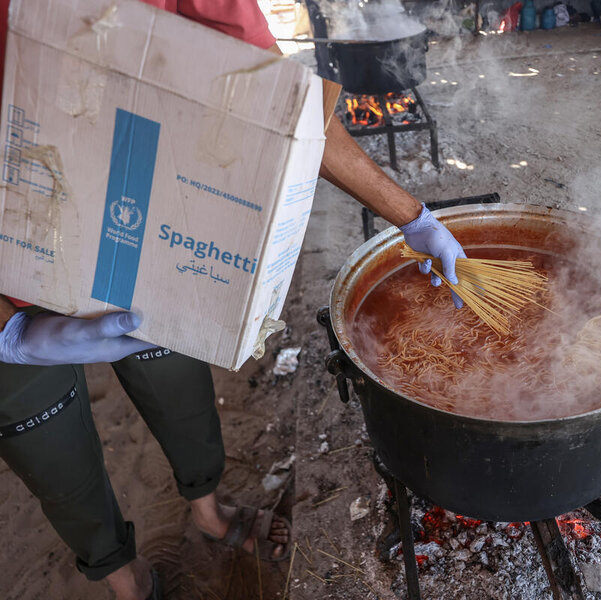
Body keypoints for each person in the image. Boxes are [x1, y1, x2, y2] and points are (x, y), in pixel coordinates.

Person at [0, 1, 466, 599]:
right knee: (45, 441)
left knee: (177, 387)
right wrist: (8, 333)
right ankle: (125, 578)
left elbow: (292, 110)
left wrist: (412, 217)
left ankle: (208, 512)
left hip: (140, 234)